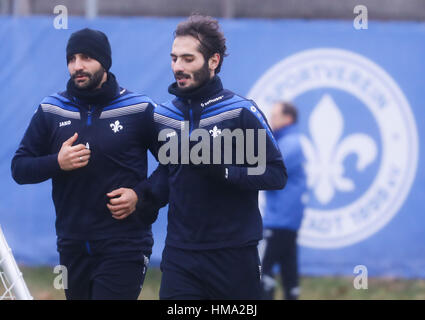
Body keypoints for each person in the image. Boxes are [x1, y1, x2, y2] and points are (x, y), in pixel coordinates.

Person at [141, 14, 288, 300]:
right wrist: (145, 197)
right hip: (180, 256)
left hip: (234, 255)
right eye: (174, 59)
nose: (177, 67)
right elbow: (169, 172)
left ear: (213, 61)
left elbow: (276, 174)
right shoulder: (163, 116)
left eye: (187, 59)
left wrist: (225, 172)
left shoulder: (241, 112)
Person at [11, 28, 160, 300]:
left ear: (105, 62)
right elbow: (19, 168)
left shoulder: (140, 109)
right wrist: (57, 162)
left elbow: (175, 165)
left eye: (87, 57)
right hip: (72, 246)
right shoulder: (51, 109)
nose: (77, 66)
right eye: (72, 59)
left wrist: (140, 195)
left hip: (125, 245)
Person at [260, 102, 307, 300]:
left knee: (262, 270)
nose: (271, 120)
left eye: (275, 116)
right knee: (289, 271)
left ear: (288, 118)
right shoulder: (288, 142)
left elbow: (265, 172)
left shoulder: (289, 144)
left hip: (279, 220)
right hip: (287, 220)